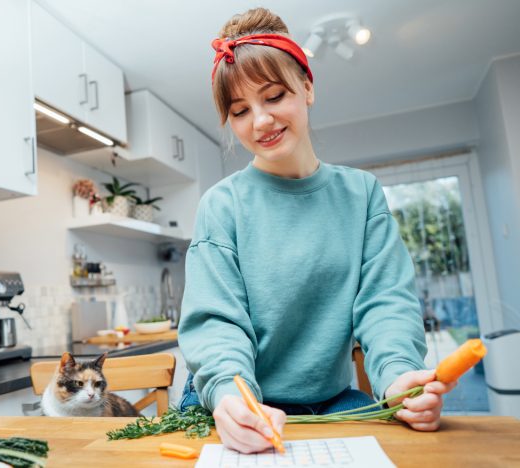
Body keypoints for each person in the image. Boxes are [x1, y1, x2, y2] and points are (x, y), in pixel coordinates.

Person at [177, 7, 457, 454]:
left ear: (306, 87)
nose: (261, 121)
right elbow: (217, 323)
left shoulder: (360, 194)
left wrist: (400, 374)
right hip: (235, 401)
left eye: (273, 97)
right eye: (240, 110)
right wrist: (233, 397)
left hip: (330, 401)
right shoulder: (222, 204)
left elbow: (385, 303)